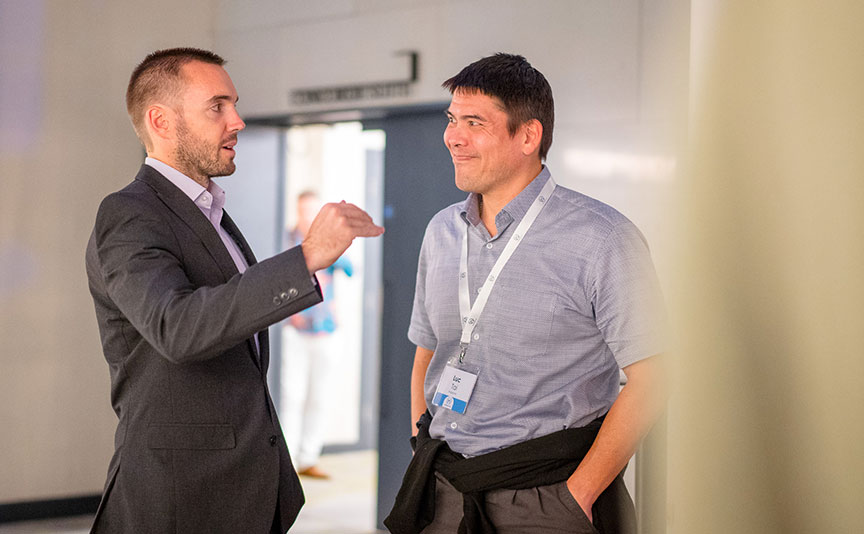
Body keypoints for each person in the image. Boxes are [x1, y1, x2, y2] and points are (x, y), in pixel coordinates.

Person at [85, 47, 383, 534]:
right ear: (161, 121)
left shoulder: (211, 214)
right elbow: (177, 328)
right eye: (217, 107)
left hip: (243, 491)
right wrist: (306, 257)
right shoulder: (129, 213)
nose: (237, 121)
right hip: (180, 499)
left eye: (235, 105)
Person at [384, 54, 666, 534]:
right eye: (452, 120)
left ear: (528, 136)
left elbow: (654, 377)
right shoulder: (441, 232)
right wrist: (420, 449)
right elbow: (427, 352)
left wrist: (577, 497)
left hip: (545, 497)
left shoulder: (602, 238)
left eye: (474, 123)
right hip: (442, 491)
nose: (453, 137)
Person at [282, 191, 355, 479]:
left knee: (320, 397)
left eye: (315, 211)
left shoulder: (328, 240)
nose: (309, 217)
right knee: (292, 396)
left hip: (327, 332)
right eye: (305, 211)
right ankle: (288, 461)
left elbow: (349, 269)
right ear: (297, 212)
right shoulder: (287, 241)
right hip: (296, 331)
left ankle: (308, 457)